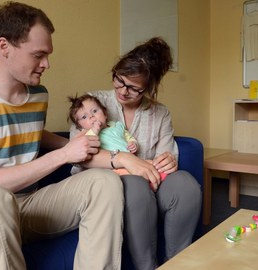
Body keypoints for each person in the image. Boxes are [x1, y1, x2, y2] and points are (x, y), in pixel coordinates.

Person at [0, 2, 123, 270]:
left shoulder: (38, 95)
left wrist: (105, 154)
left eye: (47, 55)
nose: (46, 64)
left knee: (103, 183)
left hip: (26, 206)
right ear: (4, 47)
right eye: (38, 55)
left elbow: (26, 133)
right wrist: (64, 155)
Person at [71, 37, 202, 269]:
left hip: (152, 182)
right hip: (109, 185)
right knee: (135, 186)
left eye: (134, 88)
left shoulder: (160, 113)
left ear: (149, 88)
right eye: (119, 80)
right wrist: (127, 161)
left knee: (186, 185)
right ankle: (146, 265)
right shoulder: (91, 104)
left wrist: (168, 160)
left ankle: (177, 263)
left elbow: (165, 158)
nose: (123, 91)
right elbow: (78, 154)